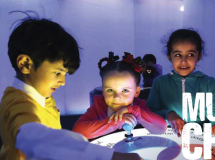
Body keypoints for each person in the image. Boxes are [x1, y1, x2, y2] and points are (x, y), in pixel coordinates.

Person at [0, 13, 141, 160]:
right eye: (57, 73)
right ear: (25, 64)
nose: (63, 82)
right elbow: (37, 139)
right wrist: (112, 157)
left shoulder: (43, 98)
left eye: (64, 74)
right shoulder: (17, 104)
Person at [147, 29, 215, 136]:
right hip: (169, 140)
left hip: (201, 142)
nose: (184, 61)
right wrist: (169, 114)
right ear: (170, 57)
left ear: (199, 56)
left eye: (190, 55)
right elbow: (150, 113)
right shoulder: (159, 83)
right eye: (178, 55)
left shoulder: (210, 84)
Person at [73, 52, 167, 139]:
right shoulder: (99, 106)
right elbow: (77, 131)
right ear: (103, 90)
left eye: (125, 90)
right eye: (110, 90)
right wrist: (116, 122)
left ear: (136, 92)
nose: (117, 97)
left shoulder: (139, 107)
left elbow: (161, 128)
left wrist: (136, 113)